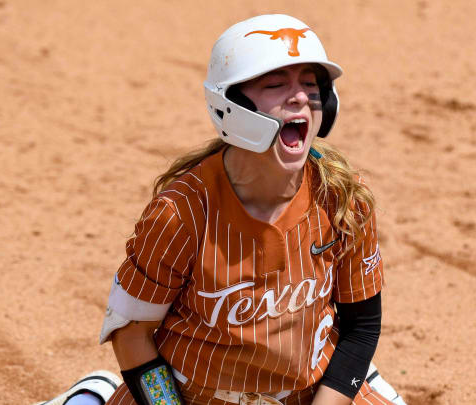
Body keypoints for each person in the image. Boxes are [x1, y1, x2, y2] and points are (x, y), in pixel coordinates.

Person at [36, 13, 406, 405]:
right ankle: (91, 397)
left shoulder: (345, 199)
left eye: (310, 84)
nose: (299, 96)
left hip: (310, 394)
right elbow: (132, 334)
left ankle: (361, 383)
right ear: (230, 104)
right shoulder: (181, 212)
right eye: (276, 84)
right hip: (191, 397)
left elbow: (361, 328)